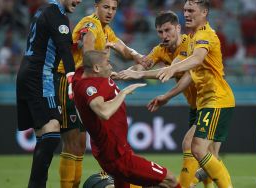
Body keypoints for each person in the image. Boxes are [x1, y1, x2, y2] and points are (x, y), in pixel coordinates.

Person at [117, 10, 214, 188]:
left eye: (168, 30)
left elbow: (174, 69)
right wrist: (125, 73)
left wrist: (141, 75)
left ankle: (185, 184)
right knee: (207, 157)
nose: (164, 35)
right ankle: (193, 182)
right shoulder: (160, 50)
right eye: (160, 32)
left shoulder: (189, 44)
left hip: (211, 100)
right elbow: (143, 65)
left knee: (192, 146)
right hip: (195, 105)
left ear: (178, 28)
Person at [56, 0, 143, 187]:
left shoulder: (105, 29)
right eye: (106, 7)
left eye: (113, 8)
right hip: (71, 83)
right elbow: (87, 49)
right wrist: (99, 70)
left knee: (82, 144)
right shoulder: (91, 24)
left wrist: (138, 57)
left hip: (87, 86)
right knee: (74, 143)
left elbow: (123, 49)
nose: (110, 12)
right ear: (96, 6)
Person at [72, 50, 181, 188]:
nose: (111, 67)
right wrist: (124, 92)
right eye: (108, 63)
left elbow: (88, 62)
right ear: (97, 68)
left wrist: (132, 70)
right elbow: (104, 112)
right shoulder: (89, 87)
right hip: (117, 157)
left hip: (115, 150)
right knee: (169, 180)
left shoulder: (91, 76)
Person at [155, 1, 235, 187]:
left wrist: (172, 69)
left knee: (196, 148)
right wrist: (140, 72)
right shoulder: (192, 38)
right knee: (207, 154)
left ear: (204, 12)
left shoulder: (205, 34)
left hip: (216, 99)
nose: (187, 14)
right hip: (206, 101)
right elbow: (188, 68)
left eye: (191, 10)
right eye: (185, 10)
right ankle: (192, 182)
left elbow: (197, 59)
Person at [16, 0, 81, 187]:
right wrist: (71, 79)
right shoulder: (57, 14)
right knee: (52, 129)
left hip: (26, 73)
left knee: (44, 134)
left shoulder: (43, 9)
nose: (79, 1)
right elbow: (64, 49)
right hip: (40, 76)